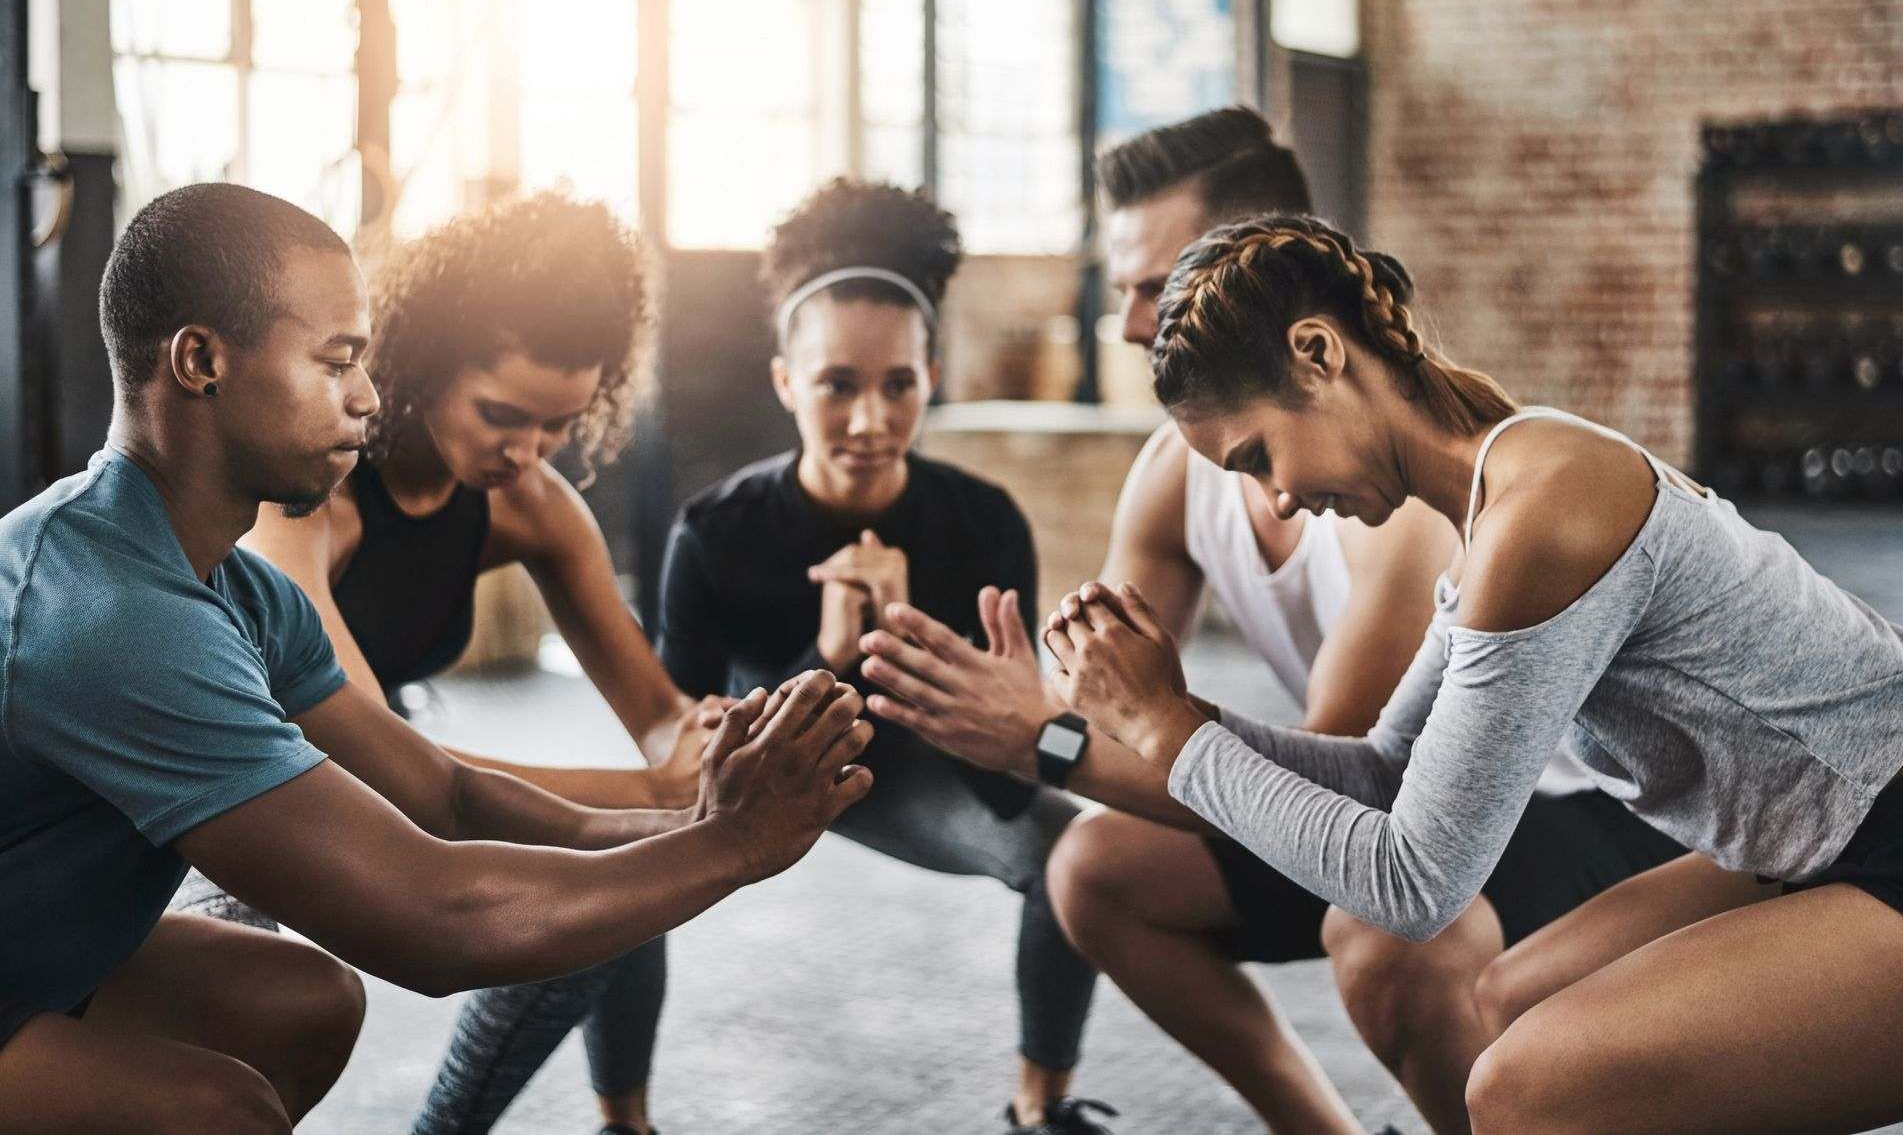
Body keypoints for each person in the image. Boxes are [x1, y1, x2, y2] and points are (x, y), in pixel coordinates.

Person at [859, 111, 1680, 1134]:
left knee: (1383, 932)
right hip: (1379, 806)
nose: (1123, 324)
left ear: (1252, 274)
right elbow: (1117, 713)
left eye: (1152, 288)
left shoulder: (1407, 503)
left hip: (1565, 813)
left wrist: (1044, 740)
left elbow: (1337, 783)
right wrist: (1007, 703)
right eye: (1120, 289)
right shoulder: (1173, 472)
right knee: (1095, 868)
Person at [0, 183, 871, 1134]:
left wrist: (695, 816)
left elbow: (442, 795)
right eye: (336, 362)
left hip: (32, 939)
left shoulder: (237, 588)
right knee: (218, 1112)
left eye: (364, 361)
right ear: (201, 360)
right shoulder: (116, 610)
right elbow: (434, 924)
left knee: (306, 1004)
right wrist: (729, 848)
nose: (367, 396)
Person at [1039, 211, 1903, 1134]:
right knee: (1504, 1005)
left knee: (1525, 1091)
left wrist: (1166, 735)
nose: (1280, 497)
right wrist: (1175, 712)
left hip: (1900, 837)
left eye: (1258, 456)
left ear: (1318, 354)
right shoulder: (1493, 505)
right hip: (1809, 843)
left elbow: (1416, 885)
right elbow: (1384, 770)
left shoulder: (1547, 506)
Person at [239, 192, 723, 1135]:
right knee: (245, 1017)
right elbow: (373, 763)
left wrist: (718, 742)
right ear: (419, 360)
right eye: (502, 413)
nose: (528, 451)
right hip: (232, 777)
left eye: (558, 424)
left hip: (376, 763)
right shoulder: (309, 500)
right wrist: (646, 791)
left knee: (622, 879)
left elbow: (662, 712)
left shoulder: (528, 503)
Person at [651, 179, 1110, 1135]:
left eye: (897, 385)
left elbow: (1019, 735)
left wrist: (912, 651)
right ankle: (623, 1118)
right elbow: (678, 739)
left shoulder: (982, 522)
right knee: (601, 859)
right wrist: (822, 657)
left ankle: (1042, 1106)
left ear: (929, 377)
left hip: (921, 770)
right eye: (837, 386)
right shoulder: (714, 531)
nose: (870, 420)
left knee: (1075, 850)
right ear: (787, 383)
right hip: (761, 772)